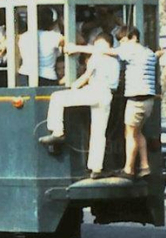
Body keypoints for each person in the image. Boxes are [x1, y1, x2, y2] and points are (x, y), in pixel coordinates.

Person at [66, 25, 158, 179]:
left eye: (123, 40)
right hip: (149, 100)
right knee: (138, 132)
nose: (121, 44)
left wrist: (76, 48)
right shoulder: (149, 53)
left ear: (134, 38)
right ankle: (144, 166)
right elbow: (156, 56)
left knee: (130, 134)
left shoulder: (131, 50)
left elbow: (103, 51)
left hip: (136, 99)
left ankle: (129, 170)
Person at [39, 33, 120, 178]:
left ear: (102, 43)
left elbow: (86, 75)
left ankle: (57, 131)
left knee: (57, 97)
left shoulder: (97, 56)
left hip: (94, 91)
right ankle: (96, 168)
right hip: (107, 95)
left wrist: (74, 86)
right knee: (99, 132)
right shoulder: (116, 60)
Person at [18, 7, 64, 86]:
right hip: (47, 76)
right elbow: (78, 40)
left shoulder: (23, 36)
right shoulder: (55, 37)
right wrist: (61, 24)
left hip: (25, 74)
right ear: (52, 22)